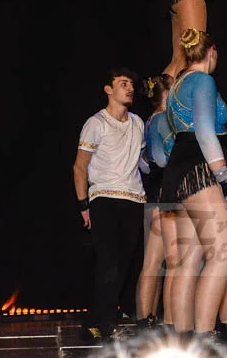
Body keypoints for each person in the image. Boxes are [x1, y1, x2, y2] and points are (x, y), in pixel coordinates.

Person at [161, 29, 227, 340]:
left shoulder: (177, 85)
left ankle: (182, 341)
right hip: (200, 168)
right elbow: (205, 133)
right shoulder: (203, 81)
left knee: (189, 261)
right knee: (222, 254)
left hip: (179, 171)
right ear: (212, 51)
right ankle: (205, 339)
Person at [74, 69, 147, 340]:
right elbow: (79, 167)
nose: (130, 88)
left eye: (131, 84)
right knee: (109, 263)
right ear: (109, 89)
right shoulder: (96, 123)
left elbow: (141, 161)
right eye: (123, 84)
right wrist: (83, 205)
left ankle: (92, 324)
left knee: (124, 265)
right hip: (104, 197)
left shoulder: (138, 123)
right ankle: (106, 324)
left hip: (133, 198)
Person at [136, 74, 175, 331]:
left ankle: (146, 320)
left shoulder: (150, 121)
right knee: (171, 262)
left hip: (155, 192)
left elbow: (145, 163)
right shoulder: (163, 120)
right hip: (165, 193)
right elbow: (161, 160)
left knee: (153, 261)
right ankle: (171, 322)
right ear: (167, 94)